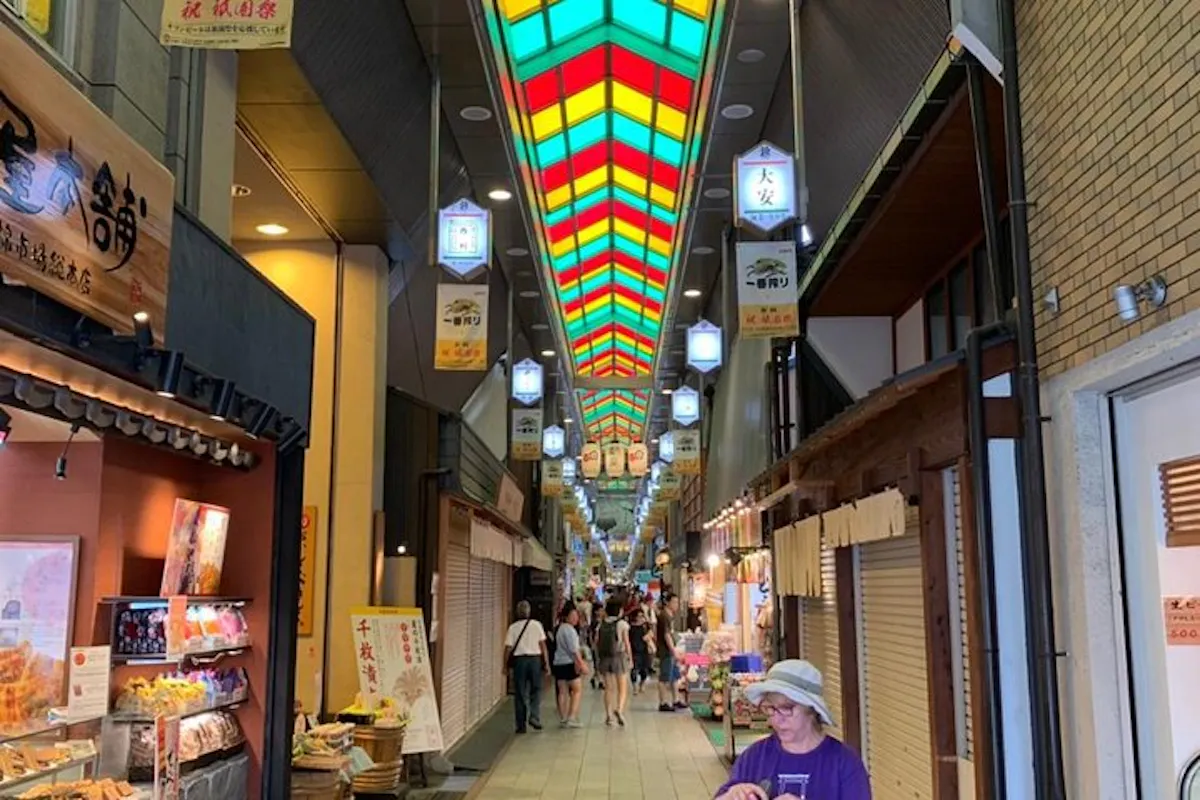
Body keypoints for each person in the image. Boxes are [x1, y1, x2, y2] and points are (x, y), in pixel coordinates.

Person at [714, 660, 870, 800]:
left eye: (786, 708)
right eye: (770, 708)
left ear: (812, 710)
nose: (777, 719)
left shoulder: (844, 763)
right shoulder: (754, 757)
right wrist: (731, 795)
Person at [502, 600, 550, 734]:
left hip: (519, 662)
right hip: (534, 660)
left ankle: (520, 725)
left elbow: (508, 649)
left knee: (520, 693)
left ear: (518, 613)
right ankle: (534, 716)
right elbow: (543, 646)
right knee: (536, 689)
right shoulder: (536, 625)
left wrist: (505, 666)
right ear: (529, 612)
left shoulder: (513, 627)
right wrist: (546, 664)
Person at [596, 597, 631, 726]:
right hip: (619, 657)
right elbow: (627, 643)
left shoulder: (602, 623)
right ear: (620, 610)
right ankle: (619, 710)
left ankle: (608, 716)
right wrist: (630, 658)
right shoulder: (622, 624)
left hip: (605, 657)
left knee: (608, 688)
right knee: (622, 687)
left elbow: (596, 641)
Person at [551, 606, 587, 728]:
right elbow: (574, 650)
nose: (575, 618)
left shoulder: (560, 629)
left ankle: (563, 718)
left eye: (576, 616)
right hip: (569, 663)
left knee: (562, 691)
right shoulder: (570, 630)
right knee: (577, 690)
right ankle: (571, 717)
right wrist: (581, 664)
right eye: (573, 616)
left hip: (558, 662)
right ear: (566, 617)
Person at [656, 591, 684, 712]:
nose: (676, 605)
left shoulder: (669, 615)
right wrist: (673, 651)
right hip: (666, 651)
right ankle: (663, 702)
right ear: (667, 603)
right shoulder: (664, 616)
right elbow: (666, 635)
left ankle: (676, 700)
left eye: (677, 602)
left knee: (674, 676)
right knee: (664, 677)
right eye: (674, 602)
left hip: (670, 650)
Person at [627, 607, 652, 695]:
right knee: (634, 670)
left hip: (644, 650)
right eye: (639, 616)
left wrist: (649, 636)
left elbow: (651, 634)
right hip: (634, 650)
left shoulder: (645, 626)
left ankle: (642, 684)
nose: (641, 618)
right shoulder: (630, 627)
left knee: (644, 670)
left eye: (642, 616)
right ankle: (635, 687)